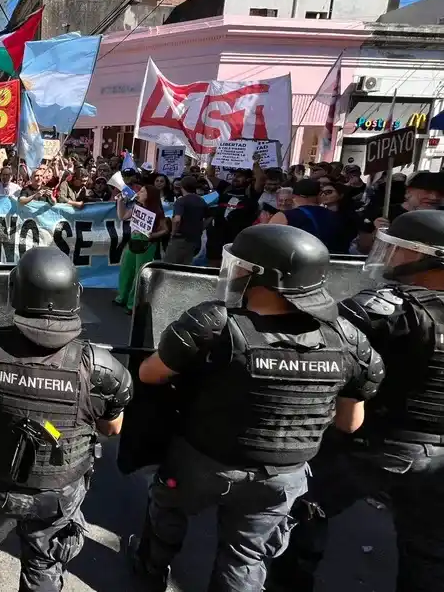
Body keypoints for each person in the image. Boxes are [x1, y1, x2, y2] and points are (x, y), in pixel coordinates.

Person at [127, 224, 384, 592]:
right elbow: (350, 422)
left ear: (258, 275)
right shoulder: (348, 338)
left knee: (167, 509)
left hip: (202, 460)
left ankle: (149, 570)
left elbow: (149, 374)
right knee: (246, 557)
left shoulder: (216, 323)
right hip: (283, 475)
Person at [268, 209, 444, 592]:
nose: (391, 257)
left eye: (400, 250)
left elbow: (316, 344)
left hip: (375, 442)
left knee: (302, 511)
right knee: (428, 554)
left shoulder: (389, 307)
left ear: (428, 257)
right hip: (437, 458)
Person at [0, 246, 134, 592]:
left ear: (16, 292)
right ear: (74, 297)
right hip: (55, 497)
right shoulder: (101, 367)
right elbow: (112, 428)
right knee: (43, 569)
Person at [115, 184, 169, 313]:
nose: (139, 193)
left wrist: (153, 235)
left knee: (139, 274)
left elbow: (165, 230)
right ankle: (122, 297)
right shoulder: (137, 207)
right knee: (126, 270)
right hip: (133, 242)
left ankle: (132, 304)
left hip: (147, 244)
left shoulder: (157, 212)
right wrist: (120, 202)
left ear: (149, 195)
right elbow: (122, 216)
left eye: (142, 191)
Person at [268, 179, 348, 253]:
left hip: (298, 264)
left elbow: (267, 243)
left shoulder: (284, 216)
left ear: (294, 197)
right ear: (319, 196)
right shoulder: (338, 217)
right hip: (334, 263)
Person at [163, 175, 207, 265]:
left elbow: (177, 219)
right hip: (194, 239)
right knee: (185, 266)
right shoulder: (202, 201)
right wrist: (201, 227)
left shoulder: (181, 201)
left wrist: (173, 233)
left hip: (180, 238)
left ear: (182, 186)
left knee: (170, 266)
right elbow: (210, 217)